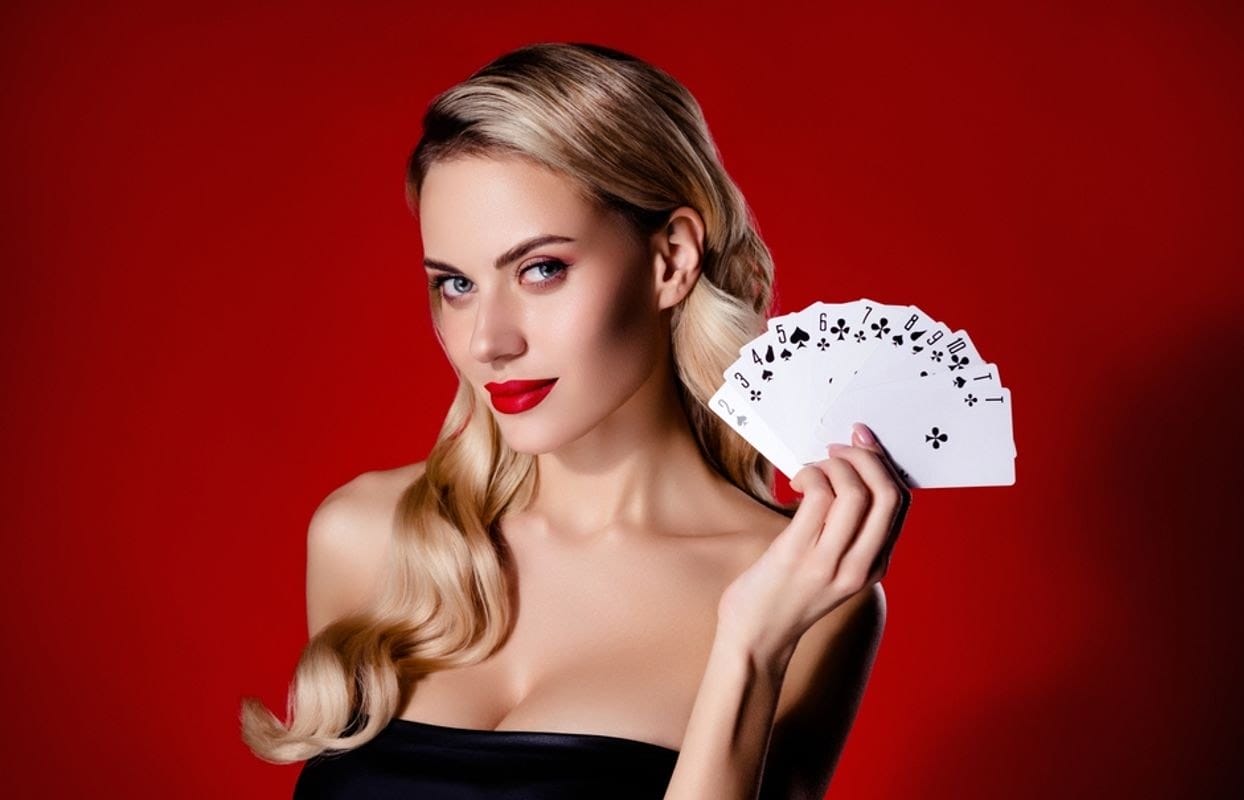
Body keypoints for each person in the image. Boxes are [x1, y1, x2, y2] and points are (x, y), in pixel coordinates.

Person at [241, 41, 909, 799]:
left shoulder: (804, 588)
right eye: (456, 284)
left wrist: (749, 648)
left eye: (541, 269)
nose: (489, 340)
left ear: (671, 258)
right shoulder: (366, 536)